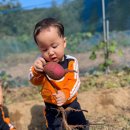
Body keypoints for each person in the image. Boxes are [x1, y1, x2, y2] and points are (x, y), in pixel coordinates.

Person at [29, 17, 89, 130]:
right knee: (54, 128)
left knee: (80, 125)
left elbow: (75, 82)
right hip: (52, 107)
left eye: (54, 46)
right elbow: (34, 81)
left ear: (64, 42)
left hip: (71, 105)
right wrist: (36, 70)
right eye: (44, 49)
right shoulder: (41, 63)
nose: (50, 52)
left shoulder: (71, 62)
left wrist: (65, 94)